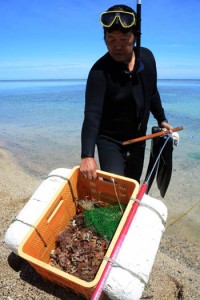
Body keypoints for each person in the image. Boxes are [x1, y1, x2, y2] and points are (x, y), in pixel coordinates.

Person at [80, 4, 173, 182]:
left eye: (124, 38)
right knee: (115, 187)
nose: (117, 46)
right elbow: (92, 115)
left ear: (135, 37)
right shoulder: (99, 72)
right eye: (111, 39)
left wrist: (162, 119)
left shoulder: (147, 58)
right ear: (104, 39)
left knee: (133, 185)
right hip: (110, 141)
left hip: (139, 139)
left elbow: (151, 91)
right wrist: (87, 155)